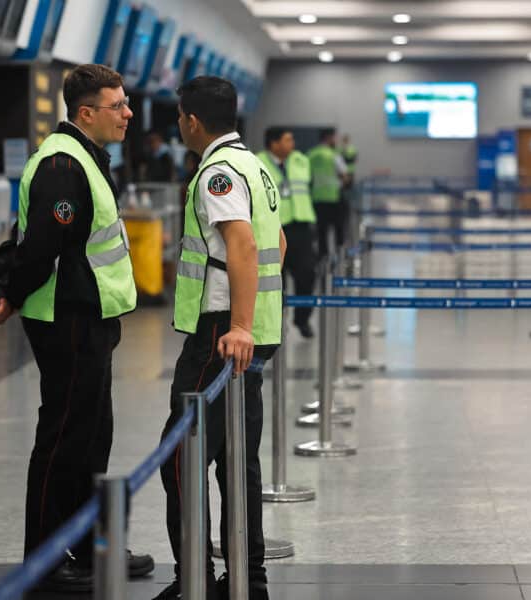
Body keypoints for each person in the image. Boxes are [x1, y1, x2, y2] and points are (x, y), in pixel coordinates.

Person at [0, 64, 153, 592]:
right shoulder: (62, 164)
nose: (128, 114)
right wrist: (10, 293)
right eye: (118, 105)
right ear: (86, 113)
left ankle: (91, 544)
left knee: (92, 436)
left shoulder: (88, 157)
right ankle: (46, 557)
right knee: (62, 438)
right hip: (68, 318)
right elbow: (41, 247)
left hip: (92, 314)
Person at [154, 76, 286, 600]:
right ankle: (248, 583)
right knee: (237, 459)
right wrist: (256, 322)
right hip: (253, 332)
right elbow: (276, 241)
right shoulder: (255, 165)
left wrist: (238, 325)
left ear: (190, 120)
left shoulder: (218, 173)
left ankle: (196, 583)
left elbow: (245, 247)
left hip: (222, 334)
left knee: (180, 457)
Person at [256, 127, 317, 338]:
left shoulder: (301, 160)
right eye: (287, 139)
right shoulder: (257, 162)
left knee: (307, 274)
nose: (292, 143)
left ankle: (302, 319)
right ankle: (275, 324)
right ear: (274, 143)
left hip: (301, 226)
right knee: (273, 278)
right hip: (272, 229)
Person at [308, 128, 350, 258]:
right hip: (334, 198)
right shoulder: (334, 155)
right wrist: (340, 184)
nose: (336, 140)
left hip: (316, 198)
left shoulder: (311, 154)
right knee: (339, 229)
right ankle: (340, 255)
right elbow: (345, 176)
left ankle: (323, 257)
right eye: (334, 137)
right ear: (328, 138)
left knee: (321, 231)